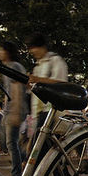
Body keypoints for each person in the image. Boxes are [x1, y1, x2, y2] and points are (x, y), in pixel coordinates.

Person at [26, 33, 68, 166]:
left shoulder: (55, 61)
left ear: (43, 47)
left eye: (34, 47)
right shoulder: (38, 65)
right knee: (47, 149)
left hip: (51, 112)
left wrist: (37, 80)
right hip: (40, 112)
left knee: (39, 150)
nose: (32, 51)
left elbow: (61, 83)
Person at [0, 42, 28, 176]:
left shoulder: (14, 66)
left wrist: (15, 110)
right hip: (10, 109)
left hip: (15, 109)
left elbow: (17, 90)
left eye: (0, 49)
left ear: (7, 52)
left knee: (11, 143)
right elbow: (7, 91)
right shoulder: (8, 67)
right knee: (8, 142)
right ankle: (28, 158)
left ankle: (17, 175)